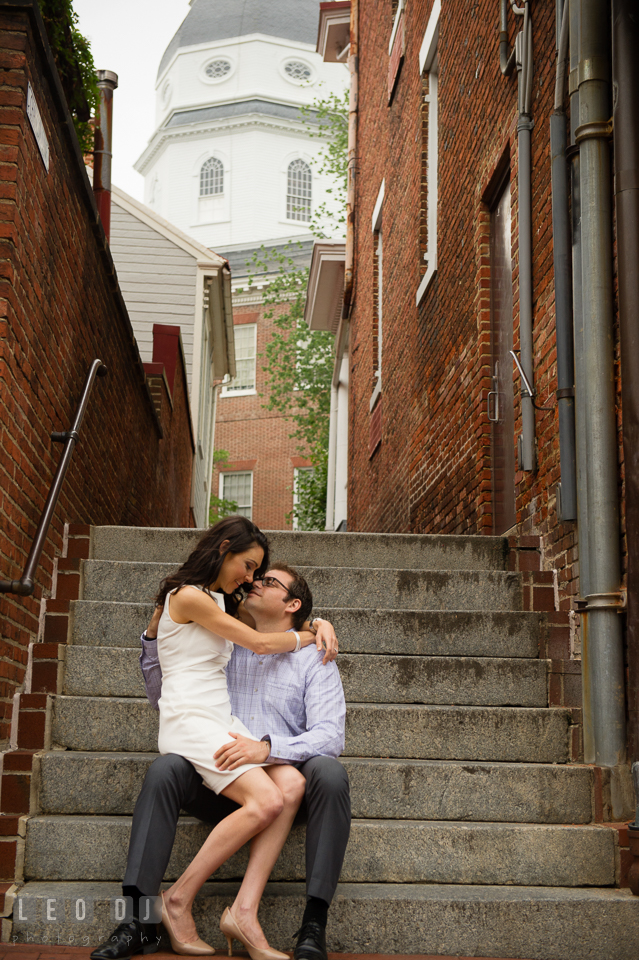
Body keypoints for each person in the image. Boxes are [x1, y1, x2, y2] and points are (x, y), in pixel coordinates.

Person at [91, 522, 349, 960]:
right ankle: (140, 916)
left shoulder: (311, 657)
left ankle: (288, 919)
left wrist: (267, 748)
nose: (251, 580)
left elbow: (330, 735)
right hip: (211, 753)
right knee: (165, 768)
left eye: (264, 578)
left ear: (293, 604)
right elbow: (169, 690)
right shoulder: (221, 621)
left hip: (261, 762)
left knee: (314, 776)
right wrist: (153, 639)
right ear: (227, 551)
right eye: (252, 570)